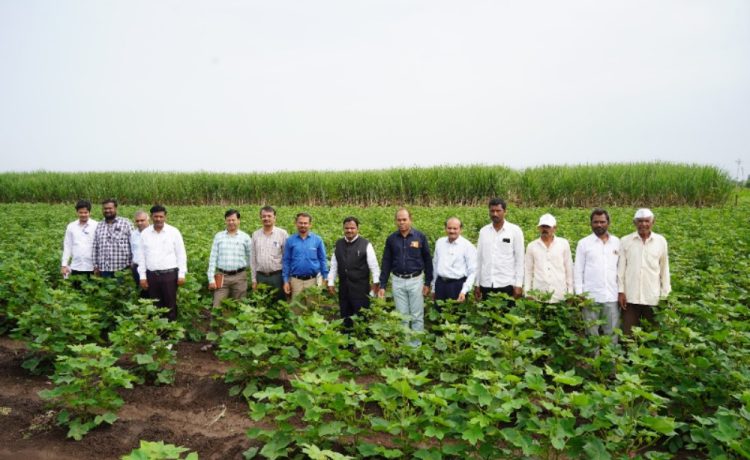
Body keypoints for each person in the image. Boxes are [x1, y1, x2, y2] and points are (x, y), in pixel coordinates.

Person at [378, 208, 433, 345]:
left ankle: (416, 346)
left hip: (416, 280)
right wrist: (382, 284)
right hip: (397, 280)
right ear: (395, 221)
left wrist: (428, 283)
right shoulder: (391, 239)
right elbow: (386, 262)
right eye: (399, 220)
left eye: (404, 219)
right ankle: (405, 346)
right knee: (402, 316)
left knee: (417, 315)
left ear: (410, 219)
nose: (401, 222)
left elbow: (427, 260)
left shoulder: (420, 237)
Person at [617, 208, 671, 335]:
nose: (643, 224)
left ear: (653, 222)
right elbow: (621, 269)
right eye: (640, 221)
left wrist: (665, 294)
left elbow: (664, 269)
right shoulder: (625, 241)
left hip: (653, 296)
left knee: (653, 333)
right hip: (630, 297)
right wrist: (621, 292)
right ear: (634, 223)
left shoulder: (661, 241)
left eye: (647, 221)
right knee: (628, 334)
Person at [574, 208, 621, 343]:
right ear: (591, 223)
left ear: (608, 223)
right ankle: (593, 357)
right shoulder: (584, 243)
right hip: (590, 297)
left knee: (612, 334)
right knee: (591, 335)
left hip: (611, 296)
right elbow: (578, 270)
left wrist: (621, 291)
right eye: (595, 222)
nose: (599, 225)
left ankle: (611, 357)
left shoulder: (617, 242)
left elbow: (620, 269)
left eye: (602, 222)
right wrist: (580, 293)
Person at [327, 217, 380, 331]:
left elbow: (374, 266)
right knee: (345, 317)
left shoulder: (366, 244)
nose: (349, 230)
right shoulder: (339, 244)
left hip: (361, 289)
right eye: (347, 228)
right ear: (343, 229)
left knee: (362, 318)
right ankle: (346, 339)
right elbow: (334, 265)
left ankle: (362, 339)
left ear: (357, 229)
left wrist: (376, 283)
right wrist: (331, 282)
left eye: (352, 228)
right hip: (344, 288)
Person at [136, 205, 187, 321]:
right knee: (155, 305)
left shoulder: (173, 232)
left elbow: (181, 254)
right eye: (156, 217)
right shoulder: (145, 234)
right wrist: (142, 277)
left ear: (165, 217)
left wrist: (181, 274)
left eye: (161, 216)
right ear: (151, 217)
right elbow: (141, 257)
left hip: (170, 275)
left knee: (170, 304)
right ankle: (158, 329)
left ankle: (171, 329)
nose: (158, 219)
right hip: (152, 275)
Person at [474, 198, 524, 304]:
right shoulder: (483, 231)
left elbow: (520, 259)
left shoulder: (515, 231)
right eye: (492, 211)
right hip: (486, 284)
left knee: (507, 313)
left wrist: (518, 284)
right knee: (486, 312)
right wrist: (477, 283)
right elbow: (479, 259)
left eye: (498, 211)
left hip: (506, 284)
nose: (495, 214)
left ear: (505, 211)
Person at [524, 213, 573, 303]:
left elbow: (569, 269)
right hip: (539, 295)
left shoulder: (564, 244)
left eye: (548, 227)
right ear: (539, 228)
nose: (545, 229)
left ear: (555, 228)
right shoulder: (531, 246)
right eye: (543, 226)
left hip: (560, 295)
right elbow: (528, 271)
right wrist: (528, 293)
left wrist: (570, 292)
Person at [207, 209, 252, 306]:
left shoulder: (245, 237)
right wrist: (211, 279)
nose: (231, 222)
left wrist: (244, 268)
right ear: (225, 221)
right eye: (228, 220)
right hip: (222, 276)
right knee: (217, 306)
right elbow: (213, 258)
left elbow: (251, 256)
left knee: (240, 307)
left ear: (238, 221)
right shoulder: (218, 236)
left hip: (240, 277)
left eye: (233, 220)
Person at [431, 217, 476, 305]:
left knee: (456, 311)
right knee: (439, 311)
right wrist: (433, 288)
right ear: (445, 228)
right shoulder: (440, 242)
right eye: (449, 228)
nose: (452, 231)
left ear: (460, 229)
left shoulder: (467, 246)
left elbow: (473, 271)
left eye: (455, 228)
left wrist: (464, 291)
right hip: (440, 284)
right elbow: (435, 265)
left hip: (457, 286)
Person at [282, 212, 328, 299]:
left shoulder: (317, 240)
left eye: (305, 223)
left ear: (310, 224)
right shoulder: (290, 240)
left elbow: (322, 259)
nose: (303, 225)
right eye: (300, 223)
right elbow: (286, 261)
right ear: (296, 223)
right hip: (295, 281)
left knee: (312, 305)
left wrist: (325, 277)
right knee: (296, 306)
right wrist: (286, 281)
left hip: (313, 280)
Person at [251, 206, 288, 302]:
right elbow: (253, 259)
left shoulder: (282, 234)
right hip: (260, 276)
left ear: (274, 217)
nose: (266, 218)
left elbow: (287, 258)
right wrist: (254, 280)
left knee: (279, 303)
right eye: (264, 216)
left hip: (277, 276)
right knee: (262, 303)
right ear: (260, 217)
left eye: (269, 216)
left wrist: (286, 280)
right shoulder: (255, 235)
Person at [93, 199, 133, 278]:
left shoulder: (126, 223)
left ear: (115, 209)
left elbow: (133, 244)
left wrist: (132, 263)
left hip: (123, 268)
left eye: (110, 208)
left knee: (123, 286)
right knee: (106, 286)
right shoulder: (99, 225)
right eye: (105, 208)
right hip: (104, 269)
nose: (107, 210)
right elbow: (95, 247)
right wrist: (95, 265)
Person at [61, 199, 98, 283]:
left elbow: (100, 247)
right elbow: (67, 246)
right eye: (80, 212)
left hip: (92, 267)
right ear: (77, 212)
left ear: (90, 212)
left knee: (92, 289)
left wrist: (98, 266)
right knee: (76, 288)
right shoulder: (71, 226)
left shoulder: (96, 225)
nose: (83, 215)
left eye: (85, 212)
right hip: (76, 266)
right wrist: (64, 265)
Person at [130, 210, 150, 297]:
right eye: (137, 221)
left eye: (142, 220)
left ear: (148, 219)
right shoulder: (133, 234)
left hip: (150, 268)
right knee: (141, 292)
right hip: (137, 267)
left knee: (153, 291)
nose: (139, 223)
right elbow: (132, 250)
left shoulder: (153, 232)